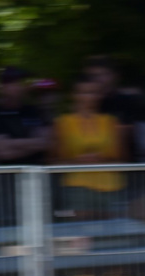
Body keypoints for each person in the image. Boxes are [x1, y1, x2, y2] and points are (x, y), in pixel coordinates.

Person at [53, 79, 129, 219]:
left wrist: (101, 159)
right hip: (77, 187)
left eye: (93, 92)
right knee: (79, 234)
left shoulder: (111, 122)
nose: (88, 96)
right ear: (74, 95)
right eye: (83, 92)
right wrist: (77, 161)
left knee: (112, 232)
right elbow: (56, 161)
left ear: (99, 95)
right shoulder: (63, 123)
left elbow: (121, 159)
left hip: (111, 186)